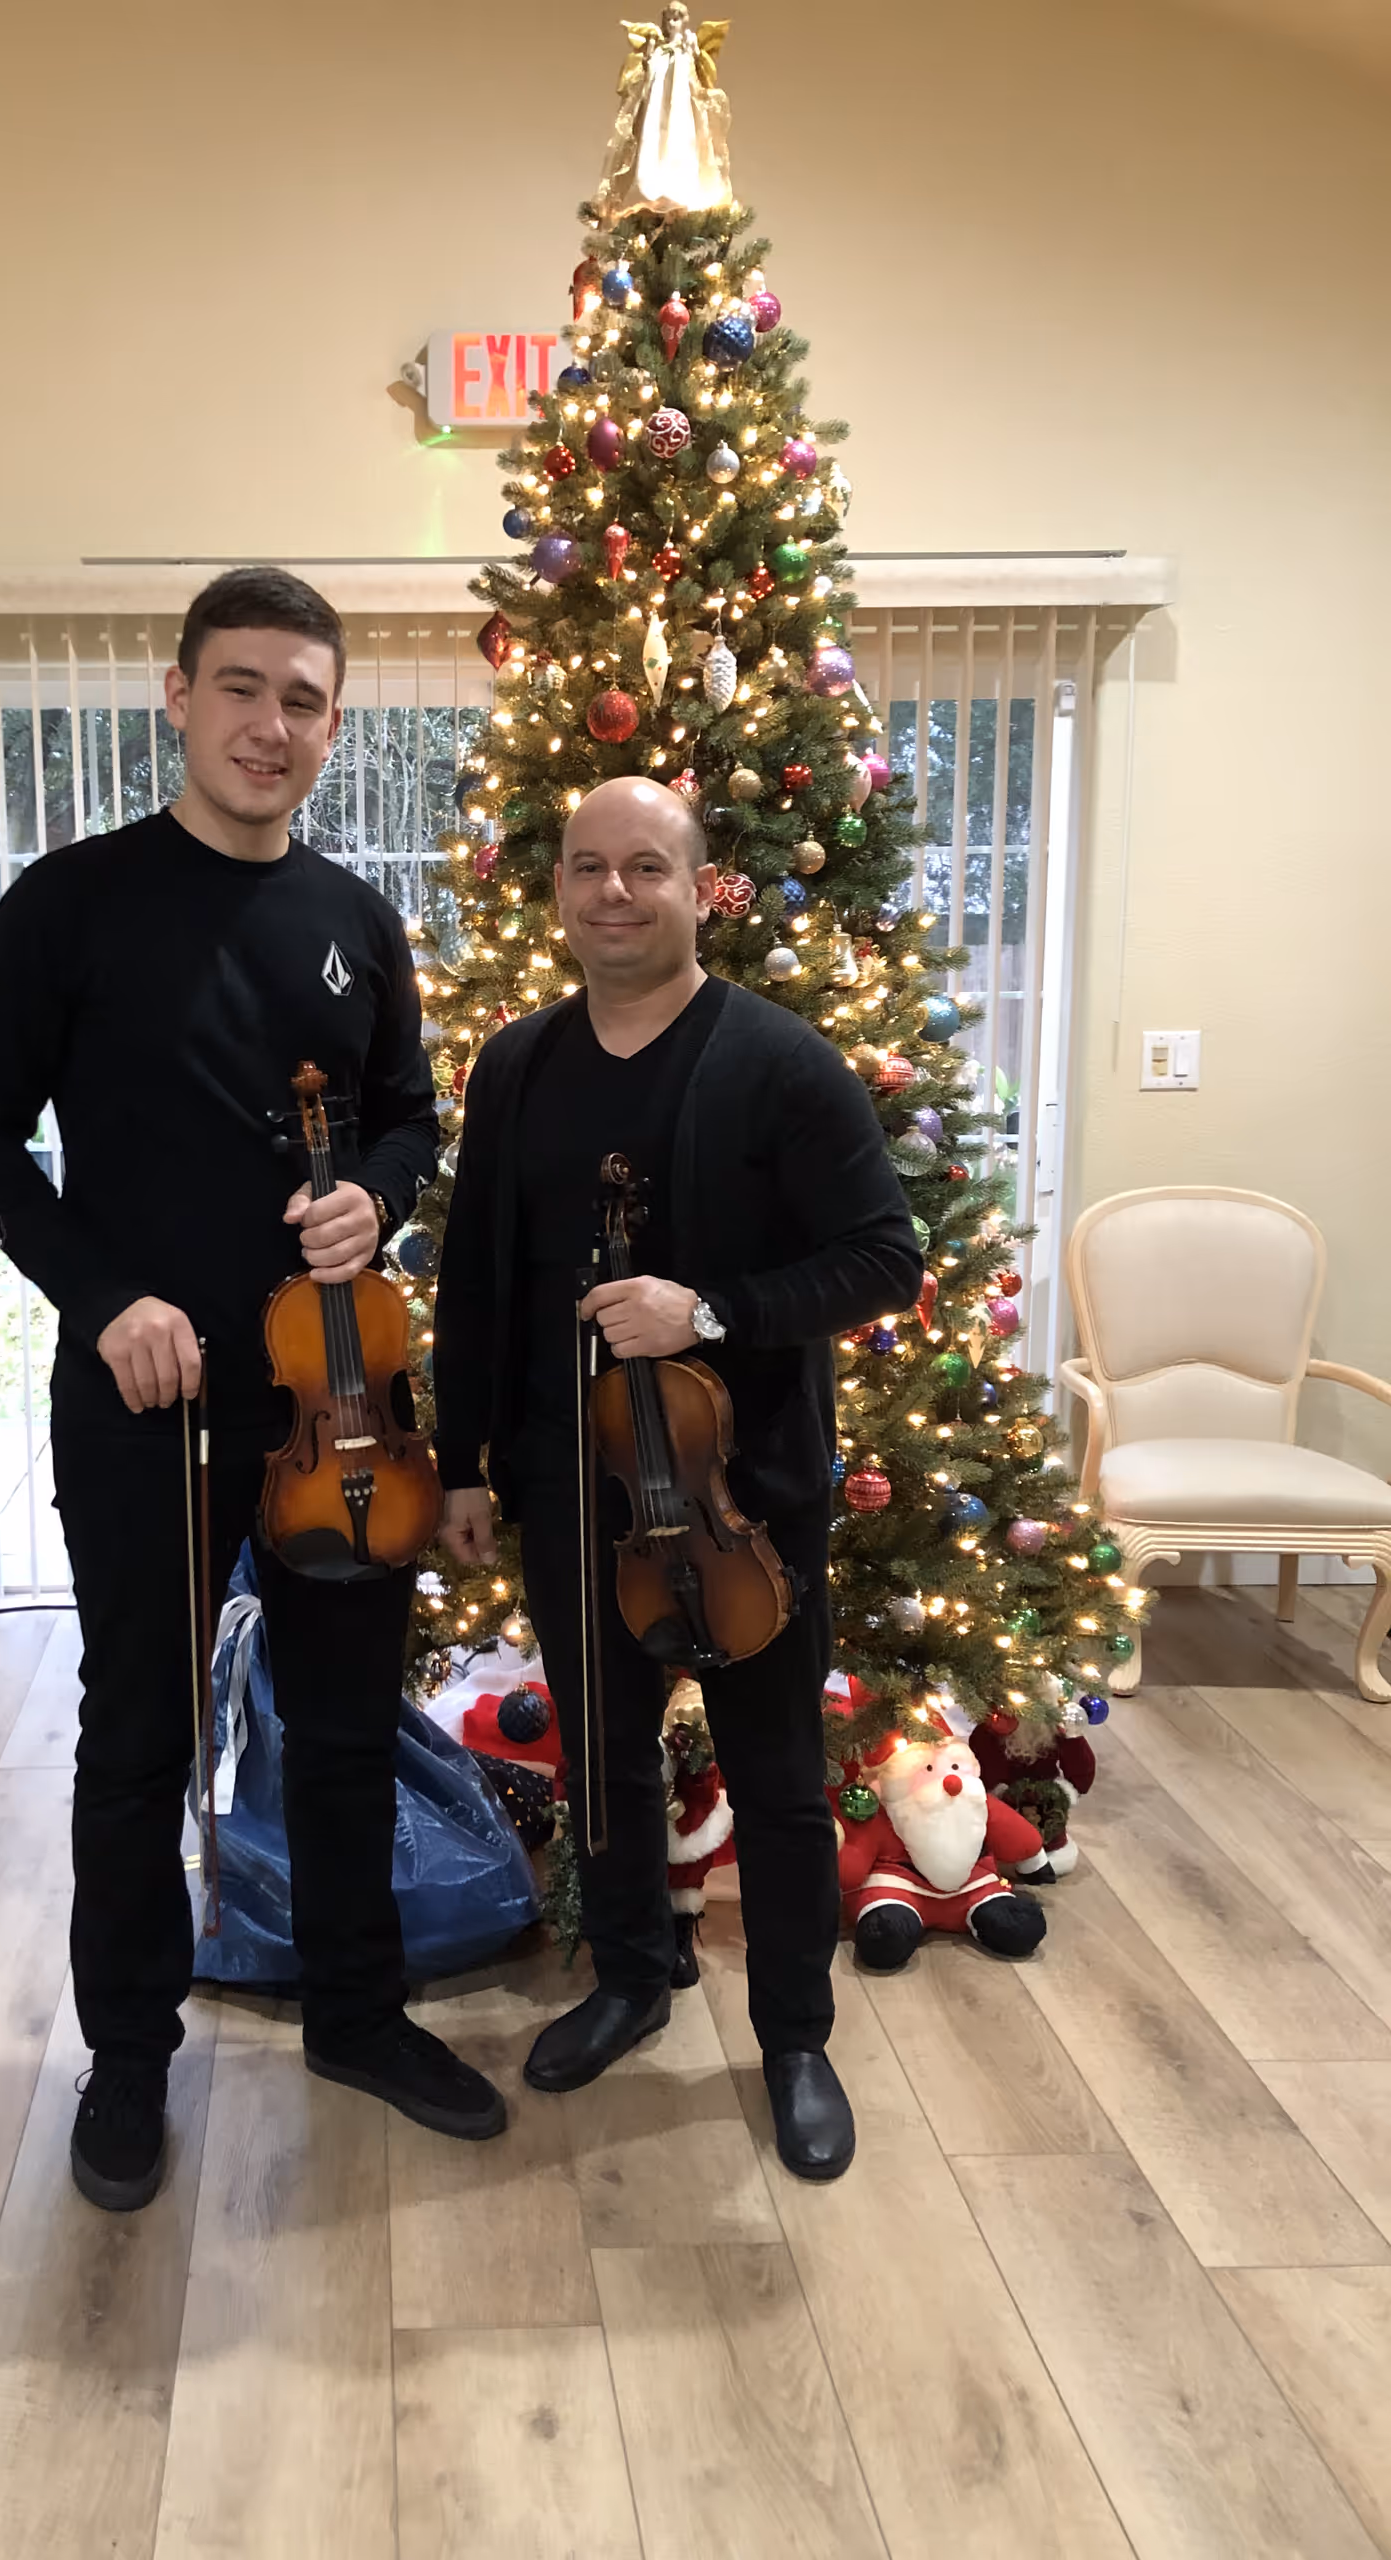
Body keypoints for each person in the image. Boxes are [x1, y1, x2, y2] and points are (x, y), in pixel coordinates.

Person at [0, 566, 507, 2213]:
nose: (272, 726)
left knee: (340, 1725)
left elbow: (409, 1118)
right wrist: (100, 1299)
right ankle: (125, 2056)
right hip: (147, 1401)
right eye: (240, 689)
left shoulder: (353, 920)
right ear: (175, 697)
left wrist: (373, 1195)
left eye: (304, 699)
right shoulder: (68, 901)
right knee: (141, 1733)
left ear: (335, 723)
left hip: (337, 1406)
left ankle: (356, 2016)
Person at [433, 775, 922, 2180]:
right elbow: (475, 1281)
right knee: (606, 1752)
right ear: (561, 890)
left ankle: (793, 2038)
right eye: (587, 867)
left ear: (699, 886)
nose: (612, 893)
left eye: (645, 867)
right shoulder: (518, 1063)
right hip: (567, 1485)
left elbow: (885, 1256)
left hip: (739, 1497)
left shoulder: (778, 1060)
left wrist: (704, 1311)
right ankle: (633, 1979)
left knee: (773, 1774)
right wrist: (465, 1460)